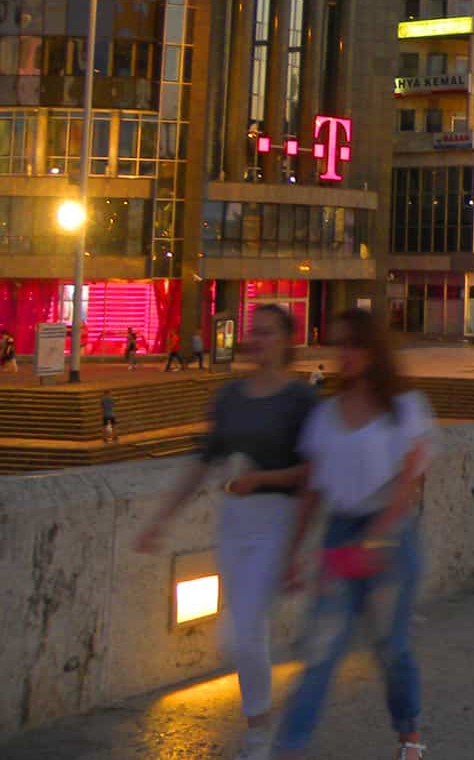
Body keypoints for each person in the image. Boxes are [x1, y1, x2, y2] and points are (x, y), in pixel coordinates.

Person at [137, 304, 316, 760]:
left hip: (277, 520)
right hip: (235, 523)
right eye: (254, 331)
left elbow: (313, 472)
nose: (258, 339)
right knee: (239, 633)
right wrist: (161, 520)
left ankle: (260, 736)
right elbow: (202, 463)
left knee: (241, 633)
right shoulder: (231, 396)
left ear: (287, 341)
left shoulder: (301, 401)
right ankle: (260, 728)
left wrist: (261, 481)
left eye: (269, 332)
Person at [273, 307, 434, 760]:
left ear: (373, 350)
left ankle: (409, 736)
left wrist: (378, 537)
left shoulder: (405, 409)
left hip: (390, 537)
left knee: (391, 646)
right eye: (338, 344)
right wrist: (293, 552)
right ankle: (289, 748)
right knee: (320, 649)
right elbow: (311, 488)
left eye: (353, 344)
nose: (344, 354)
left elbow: (409, 481)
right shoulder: (325, 417)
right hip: (340, 536)